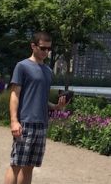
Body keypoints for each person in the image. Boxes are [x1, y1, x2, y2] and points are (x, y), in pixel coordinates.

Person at [4, 32, 66, 184]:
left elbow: (41, 99)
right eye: (43, 48)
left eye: (49, 49)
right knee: (16, 164)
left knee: (29, 166)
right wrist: (14, 121)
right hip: (25, 122)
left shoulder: (48, 71)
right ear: (33, 46)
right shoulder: (22, 66)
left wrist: (56, 106)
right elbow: (15, 94)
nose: (46, 52)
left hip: (42, 124)